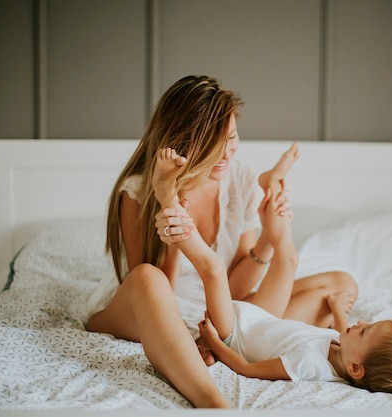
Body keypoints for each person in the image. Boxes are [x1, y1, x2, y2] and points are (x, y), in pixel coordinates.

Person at [85, 75, 356, 407]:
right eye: (218, 142)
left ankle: (214, 340)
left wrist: (270, 239)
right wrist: (173, 221)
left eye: (233, 136)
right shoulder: (139, 190)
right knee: (147, 279)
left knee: (340, 285)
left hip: (216, 311)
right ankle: (214, 402)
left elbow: (236, 289)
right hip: (152, 308)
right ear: (187, 143)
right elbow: (157, 293)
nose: (229, 151)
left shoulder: (238, 179)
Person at [153, 145, 392, 394]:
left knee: (213, 269)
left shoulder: (309, 364)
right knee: (288, 260)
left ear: (356, 369)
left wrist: (216, 343)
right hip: (252, 317)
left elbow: (247, 369)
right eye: (369, 324)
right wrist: (339, 310)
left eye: (365, 332)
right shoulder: (345, 353)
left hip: (233, 335)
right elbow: (340, 333)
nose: (360, 324)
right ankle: (272, 186)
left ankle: (168, 199)